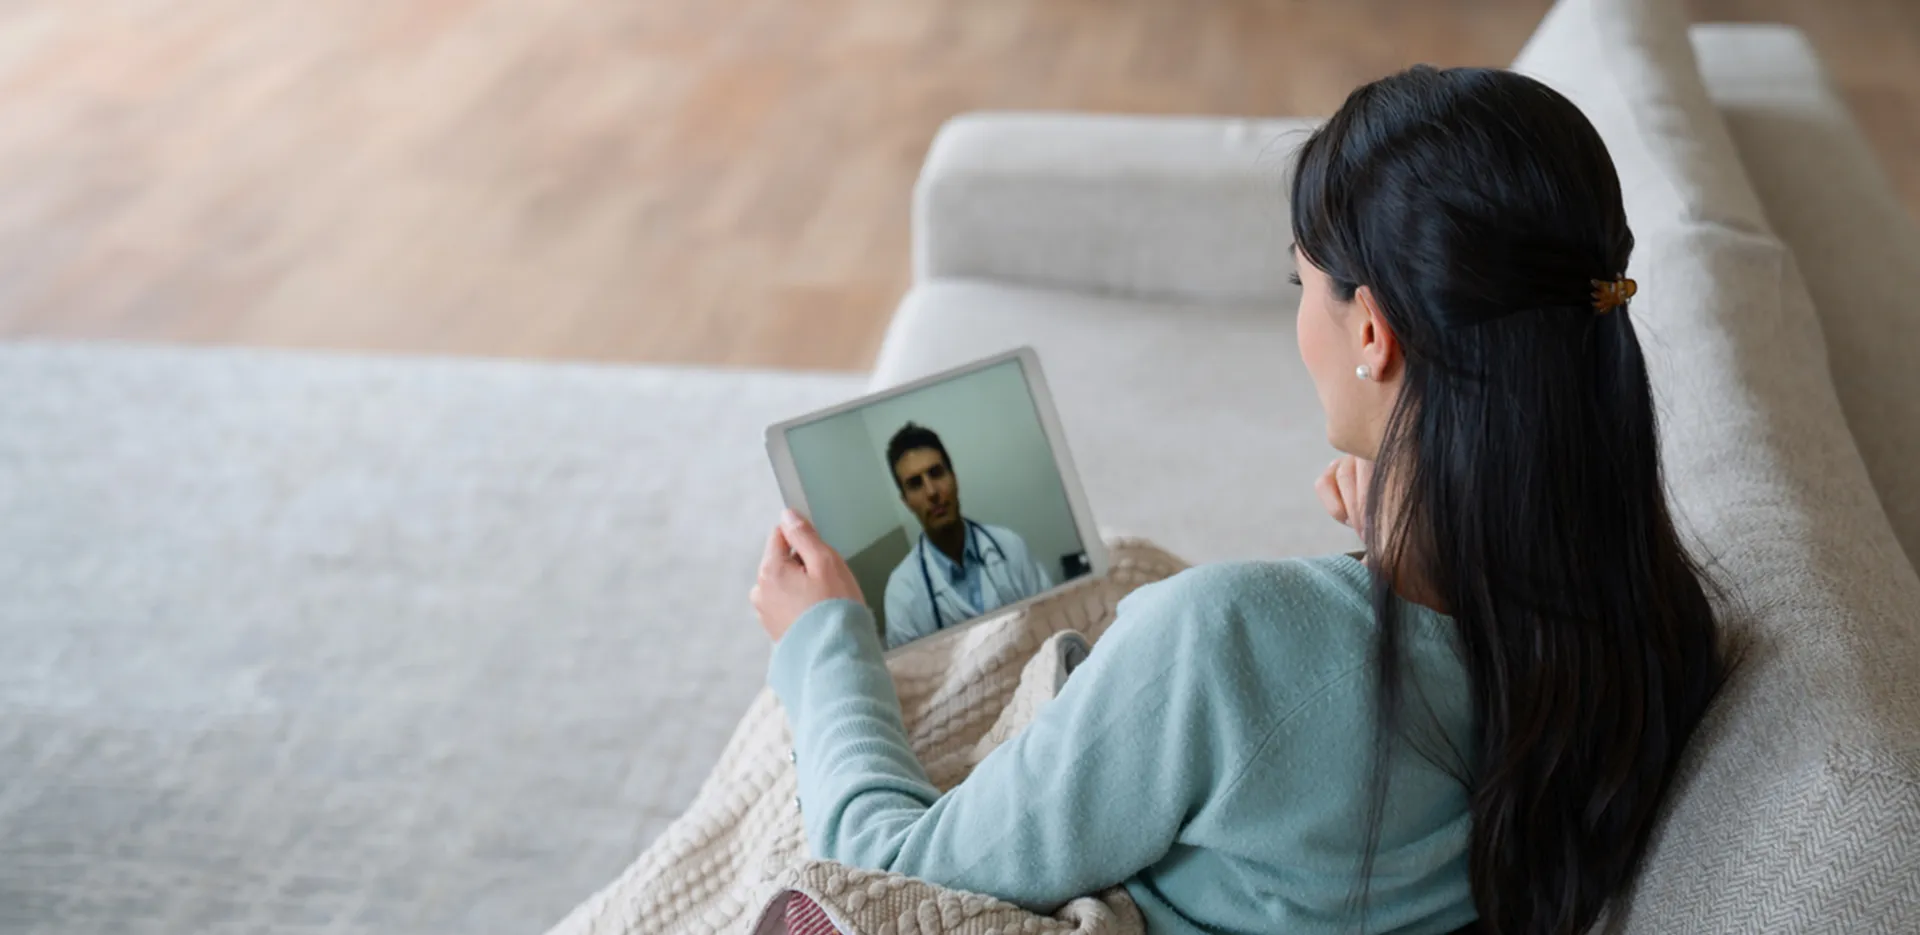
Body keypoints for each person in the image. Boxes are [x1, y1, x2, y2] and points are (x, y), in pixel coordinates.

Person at [749, 65, 1724, 935]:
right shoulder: (1652, 631)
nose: (1299, 313)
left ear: (1373, 332)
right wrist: (1408, 540)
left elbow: (882, 873)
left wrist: (825, 643)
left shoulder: (1224, 641)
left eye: (1299, 280)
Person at [877, 422, 1054, 648]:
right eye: (915, 484)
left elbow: (1053, 617)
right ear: (906, 502)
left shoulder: (1010, 546)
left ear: (954, 477)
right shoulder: (901, 594)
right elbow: (916, 678)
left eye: (936, 473)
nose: (931, 492)